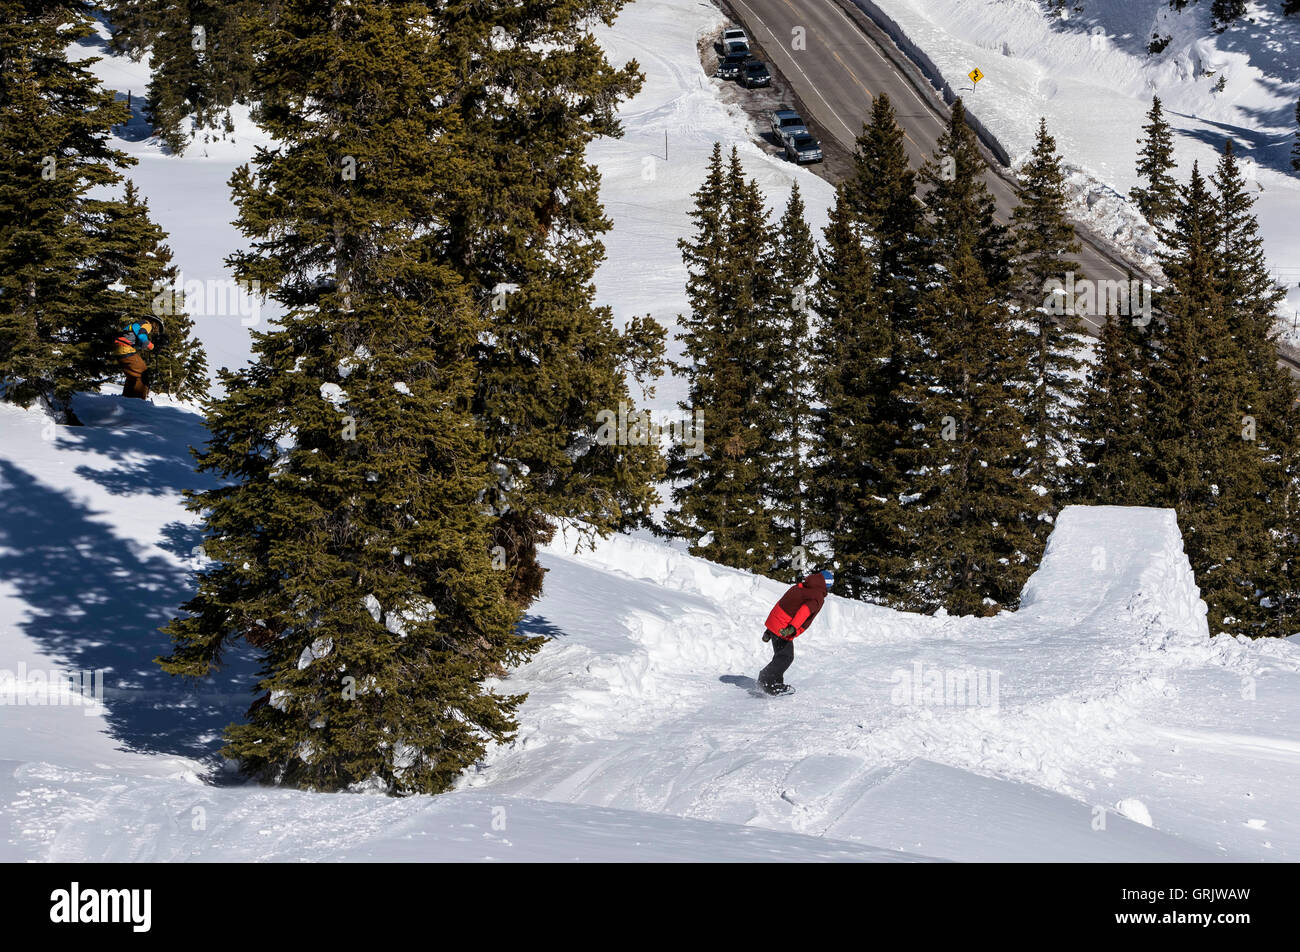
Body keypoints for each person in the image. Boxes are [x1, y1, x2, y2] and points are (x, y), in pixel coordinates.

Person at [758, 569, 832, 695]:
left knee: (780, 656)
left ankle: (777, 683)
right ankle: (766, 680)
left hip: (776, 623)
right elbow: (804, 611)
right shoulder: (817, 596)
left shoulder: (802, 587)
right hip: (784, 628)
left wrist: (769, 631)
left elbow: (785, 604)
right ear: (827, 585)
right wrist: (792, 628)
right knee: (786, 657)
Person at [114, 319, 156, 399]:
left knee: (132, 375)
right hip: (125, 349)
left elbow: (135, 340)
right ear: (155, 323)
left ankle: (126, 398)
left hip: (118, 348)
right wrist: (151, 345)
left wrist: (144, 345)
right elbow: (142, 335)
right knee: (143, 373)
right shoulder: (147, 324)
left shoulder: (136, 324)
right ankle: (138, 401)